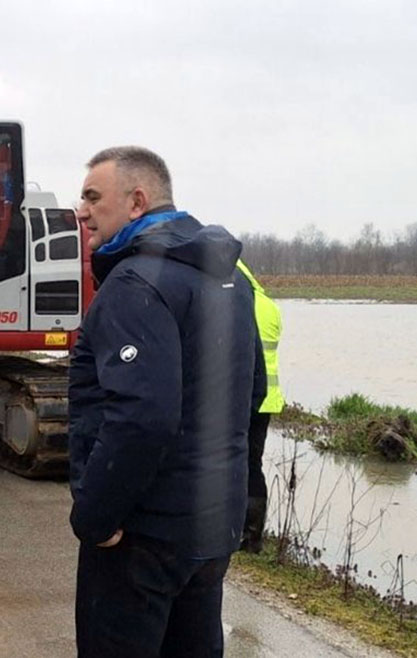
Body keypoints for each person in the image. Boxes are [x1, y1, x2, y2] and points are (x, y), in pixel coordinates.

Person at [68, 146, 267, 657]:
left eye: (92, 197)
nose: (81, 210)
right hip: (208, 531)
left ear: (136, 202)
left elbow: (143, 417)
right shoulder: (231, 281)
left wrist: (96, 516)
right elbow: (253, 394)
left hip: (142, 537)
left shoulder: (135, 282)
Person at [235, 259, 285, 553]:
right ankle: (254, 537)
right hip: (268, 400)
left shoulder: (238, 301)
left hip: (243, 396)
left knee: (234, 463)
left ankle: (235, 530)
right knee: (253, 464)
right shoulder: (269, 305)